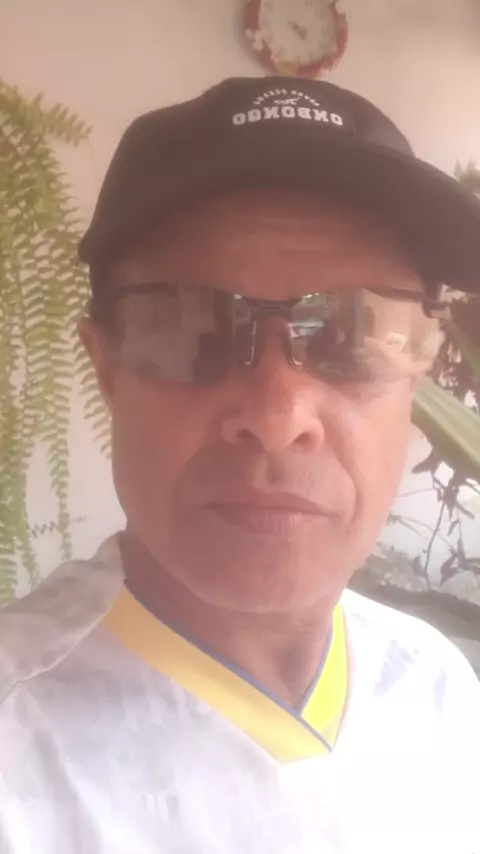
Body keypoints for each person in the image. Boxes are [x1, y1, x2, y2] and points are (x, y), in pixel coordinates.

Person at [1, 76, 479, 854]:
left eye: (351, 333)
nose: (278, 417)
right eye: (193, 329)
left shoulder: (438, 690)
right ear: (106, 368)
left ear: (421, 367)